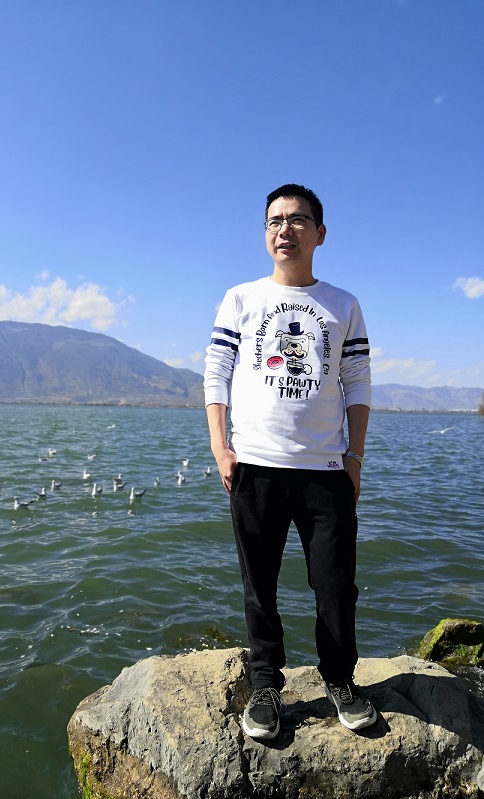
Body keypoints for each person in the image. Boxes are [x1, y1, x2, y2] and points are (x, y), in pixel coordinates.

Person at [204, 183, 377, 739]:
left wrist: (354, 456)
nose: (285, 230)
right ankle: (266, 685)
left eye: (298, 220)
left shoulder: (343, 305)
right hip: (254, 466)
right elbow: (217, 374)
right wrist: (221, 446)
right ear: (265, 233)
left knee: (336, 584)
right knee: (260, 584)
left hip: (325, 470)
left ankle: (340, 679)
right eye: (275, 221)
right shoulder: (240, 299)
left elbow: (357, 382)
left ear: (319, 233)